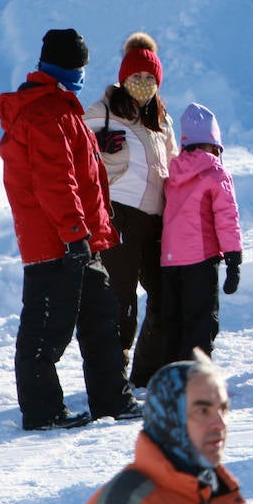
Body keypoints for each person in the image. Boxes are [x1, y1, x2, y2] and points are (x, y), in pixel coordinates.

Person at [0, 28, 142, 430]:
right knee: (46, 329)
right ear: (68, 66)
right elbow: (56, 182)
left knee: (101, 321)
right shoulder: (46, 112)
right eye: (80, 66)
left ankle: (113, 400)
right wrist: (74, 232)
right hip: (57, 243)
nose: (83, 73)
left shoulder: (61, 108)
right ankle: (43, 411)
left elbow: (80, 173)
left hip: (79, 240)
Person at [84, 31, 178, 388]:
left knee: (164, 296)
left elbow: (173, 165)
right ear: (123, 78)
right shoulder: (101, 111)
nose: (143, 83)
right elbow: (73, 147)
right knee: (120, 300)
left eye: (150, 78)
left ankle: (146, 374)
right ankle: (113, 377)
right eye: (136, 77)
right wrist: (95, 143)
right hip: (118, 214)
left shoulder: (161, 120)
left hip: (157, 220)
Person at [72, 354, 251, 504]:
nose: (220, 424)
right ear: (167, 417)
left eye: (223, 409)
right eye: (202, 411)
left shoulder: (221, 501)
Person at [160, 104, 243, 363]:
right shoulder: (216, 173)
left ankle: (173, 374)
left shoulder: (172, 172)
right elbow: (226, 217)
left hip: (170, 261)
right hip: (201, 260)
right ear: (215, 144)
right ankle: (196, 378)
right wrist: (233, 257)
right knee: (202, 321)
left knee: (175, 321)